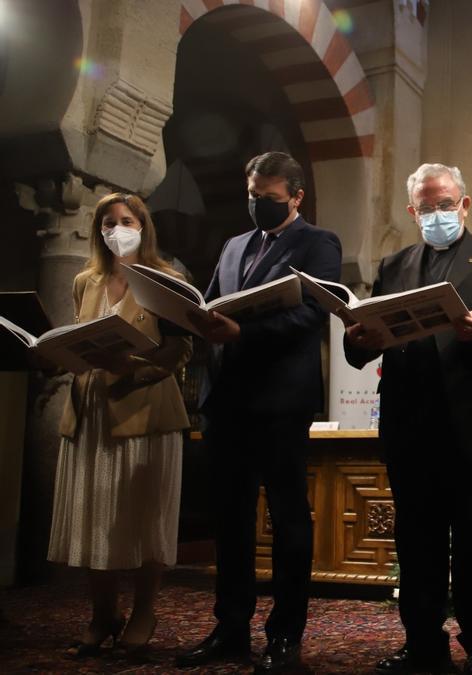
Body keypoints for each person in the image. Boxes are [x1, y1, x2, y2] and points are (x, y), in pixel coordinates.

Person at [344, 163, 472, 675]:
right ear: (413, 212)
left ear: (465, 204)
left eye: (445, 203)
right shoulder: (393, 265)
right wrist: (356, 340)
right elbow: (372, 332)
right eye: (427, 207)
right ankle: (422, 643)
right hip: (412, 426)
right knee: (418, 542)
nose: (437, 214)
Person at [176, 151, 342, 672]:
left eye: (268, 199)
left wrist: (243, 331)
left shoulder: (319, 244)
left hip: (279, 403)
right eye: (252, 197)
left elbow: (313, 314)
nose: (257, 206)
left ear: (296, 197)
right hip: (225, 403)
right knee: (230, 520)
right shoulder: (233, 245)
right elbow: (209, 306)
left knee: (288, 519)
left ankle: (285, 635)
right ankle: (230, 628)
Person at [48, 192, 192, 659]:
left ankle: (144, 611)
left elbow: (178, 352)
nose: (116, 229)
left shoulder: (165, 279)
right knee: (95, 518)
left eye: (126, 220)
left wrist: (131, 366)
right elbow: (79, 337)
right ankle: (102, 613)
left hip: (144, 408)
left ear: (143, 226)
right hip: (90, 410)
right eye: (107, 222)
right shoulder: (84, 281)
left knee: (144, 517)